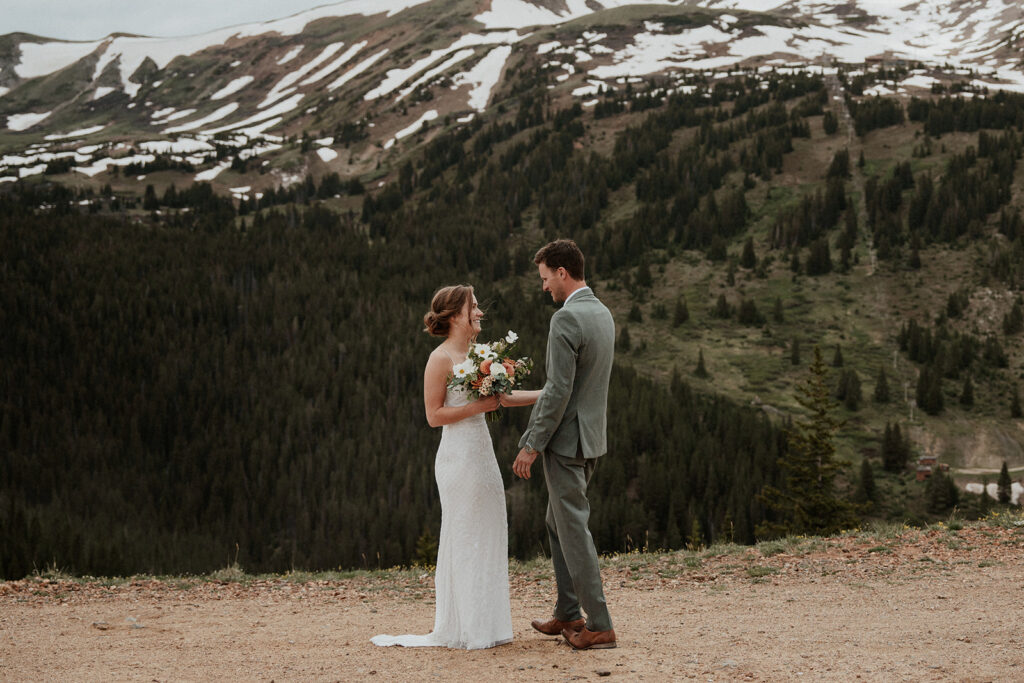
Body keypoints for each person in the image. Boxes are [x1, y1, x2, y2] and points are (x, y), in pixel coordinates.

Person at [371, 284, 538, 650]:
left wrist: (548, 394)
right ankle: (466, 628)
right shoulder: (441, 358)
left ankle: (488, 625)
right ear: (453, 316)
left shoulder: (482, 353)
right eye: (473, 307)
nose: (479, 312)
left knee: (490, 527)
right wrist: (478, 408)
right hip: (458, 458)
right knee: (465, 533)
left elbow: (503, 398)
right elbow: (434, 416)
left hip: (482, 453)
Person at [512, 239, 617, 650]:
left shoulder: (565, 319)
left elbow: (557, 391)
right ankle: (568, 611)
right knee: (558, 522)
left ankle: (601, 623)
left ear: (561, 272)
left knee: (572, 528)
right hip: (592, 439)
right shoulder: (603, 313)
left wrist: (531, 444)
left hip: (566, 442)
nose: (543, 288)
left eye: (544, 278)